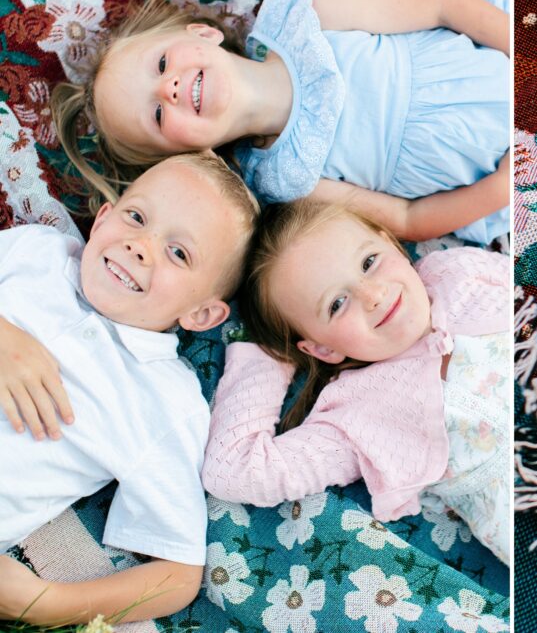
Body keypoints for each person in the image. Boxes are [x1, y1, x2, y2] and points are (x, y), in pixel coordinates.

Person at [52, 0, 510, 244]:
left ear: (202, 33)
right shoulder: (287, 179)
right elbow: (406, 218)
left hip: (503, 51)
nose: (168, 88)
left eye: (163, 63)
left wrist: (522, 50)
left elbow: (444, 6)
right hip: (493, 174)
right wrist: (501, 187)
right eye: (156, 115)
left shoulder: (309, 21)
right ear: (187, 156)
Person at [0, 154, 259, 625]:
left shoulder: (165, 403)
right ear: (102, 220)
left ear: (201, 315)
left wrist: (46, 603)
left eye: (179, 253)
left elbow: (178, 575)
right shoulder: (36, 254)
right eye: (137, 217)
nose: (141, 246)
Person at [202, 200, 511, 563]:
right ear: (321, 348)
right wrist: (272, 357)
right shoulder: (358, 415)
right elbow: (234, 471)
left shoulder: (459, 272)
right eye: (336, 304)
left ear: (390, 243)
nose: (373, 296)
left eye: (369, 262)